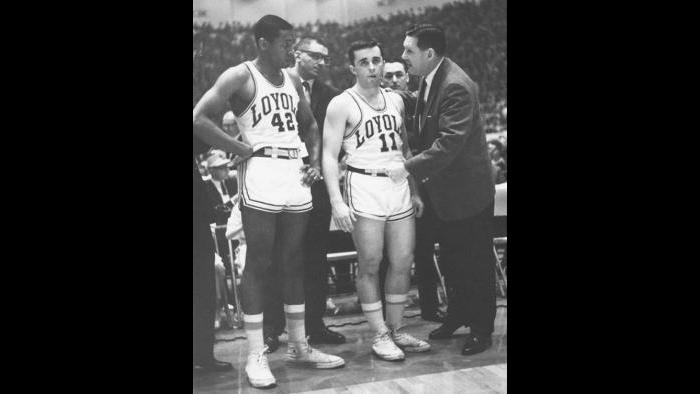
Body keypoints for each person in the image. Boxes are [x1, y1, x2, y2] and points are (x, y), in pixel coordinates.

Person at [193, 15, 345, 389]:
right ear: (263, 43)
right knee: (259, 263)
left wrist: (312, 160)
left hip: (292, 171)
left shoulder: (293, 79)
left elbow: (309, 125)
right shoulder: (239, 76)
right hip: (259, 171)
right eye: (285, 44)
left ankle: (298, 345)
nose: (291, 50)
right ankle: (257, 351)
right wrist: (238, 147)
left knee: (294, 260)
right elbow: (198, 119)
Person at [388, 24, 497, 356]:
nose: (404, 57)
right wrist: (394, 96)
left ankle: (481, 328)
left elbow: (448, 143)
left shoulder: (455, 86)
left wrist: (406, 166)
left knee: (475, 262)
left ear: (428, 53)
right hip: (447, 194)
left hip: (467, 193)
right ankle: (459, 313)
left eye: (409, 51)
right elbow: (425, 113)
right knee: (451, 259)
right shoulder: (433, 79)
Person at [323, 40, 431, 362]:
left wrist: (414, 190)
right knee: (370, 263)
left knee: (402, 260)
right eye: (365, 62)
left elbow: (406, 150)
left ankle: (396, 328)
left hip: (397, 185)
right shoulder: (341, 104)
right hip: (364, 183)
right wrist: (336, 201)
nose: (373, 67)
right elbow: (328, 157)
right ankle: (379, 333)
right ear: (352, 67)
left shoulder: (396, 100)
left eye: (377, 60)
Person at [262, 36, 346, 353]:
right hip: (280, 182)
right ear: (297, 54)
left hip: (317, 188)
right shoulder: (274, 85)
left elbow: (333, 143)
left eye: (326, 58)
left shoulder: (331, 96)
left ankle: (315, 325)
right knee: (276, 257)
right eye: (315, 56)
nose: (322, 62)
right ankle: (272, 329)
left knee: (315, 257)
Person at [381, 58, 446, 324]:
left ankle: (431, 307)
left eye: (399, 74)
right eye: (389, 76)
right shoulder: (378, 103)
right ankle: (388, 315)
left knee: (424, 249)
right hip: (388, 185)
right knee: (389, 253)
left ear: (408, 77)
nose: (394, 80)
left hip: (421, 183)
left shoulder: (421, 103)